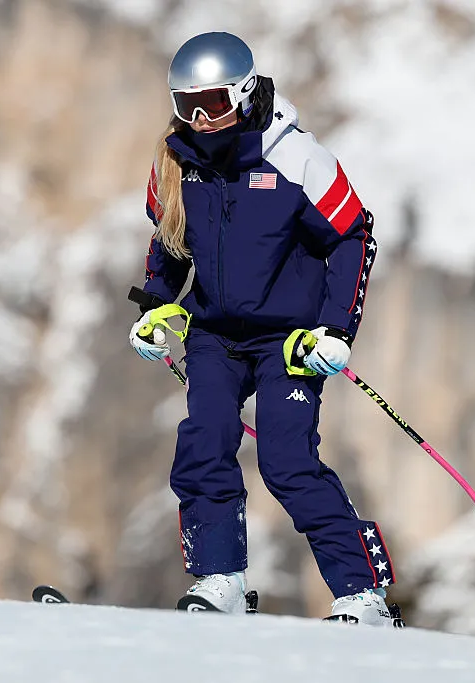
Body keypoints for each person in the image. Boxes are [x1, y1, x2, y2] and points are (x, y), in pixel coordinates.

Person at [128, 31, 395, 626]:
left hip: (288, 340)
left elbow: (354, 236)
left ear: (246, 95)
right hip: (214, 335)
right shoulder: (175, 163)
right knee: (205, 445)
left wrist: (336, 329)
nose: (202, 119)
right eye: (187, 106)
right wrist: (153, 305)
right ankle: (220, 580)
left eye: (215, 104)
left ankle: (363, 594)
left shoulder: (297, 157)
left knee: (286, 460)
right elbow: (169, 244)